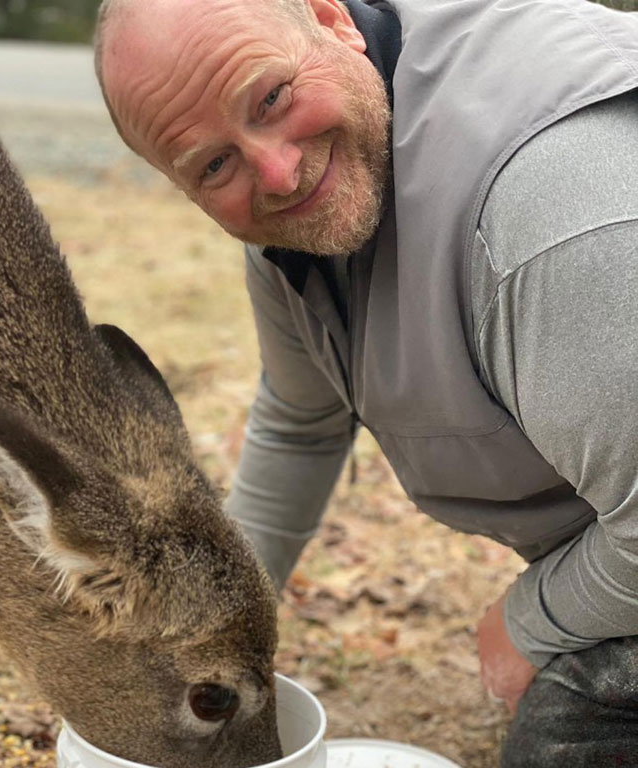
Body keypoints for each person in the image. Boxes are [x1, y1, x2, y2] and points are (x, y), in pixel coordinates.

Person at [94, 0, 638, 763]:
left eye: (272, 98)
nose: (278, 172)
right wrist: (204, 632)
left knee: (565, 741)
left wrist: (532, 622)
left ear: (332, 19)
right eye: (215, 165)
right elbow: (300, 420)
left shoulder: (548, 209)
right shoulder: (297, 234)